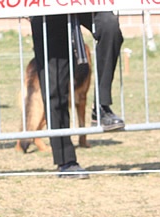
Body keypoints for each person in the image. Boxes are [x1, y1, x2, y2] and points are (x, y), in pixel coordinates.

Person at [30, 12, 124, 178]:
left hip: (84, 4)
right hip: (47, 8)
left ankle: (101, 107)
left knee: (109, 26)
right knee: (55, 85)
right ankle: (66, 161)